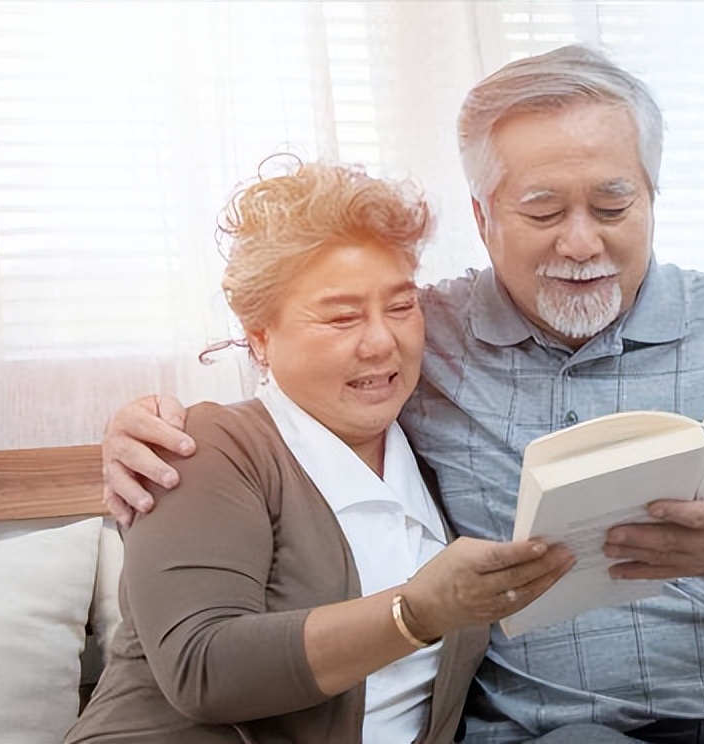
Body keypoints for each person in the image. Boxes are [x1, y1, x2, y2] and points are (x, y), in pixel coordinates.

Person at [101, 46, 704, 743]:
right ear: (483, 216)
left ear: (652, 195)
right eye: (542, 211)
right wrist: (144, 428)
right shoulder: (428, 334)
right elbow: (303, 369)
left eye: (613, 207)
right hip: (558, 730)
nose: (581, 243)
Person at [67, 160, 574, 744]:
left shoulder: (436, 453)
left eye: (401, 307)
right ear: (260, 336)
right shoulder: (207, 447)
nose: (380, 341)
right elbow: (201, 669)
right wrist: (415, 612)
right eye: (341, 317)